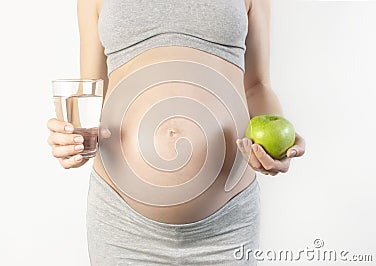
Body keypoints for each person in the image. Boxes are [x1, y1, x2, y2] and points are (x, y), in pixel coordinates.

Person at [47, 0, 305, 265]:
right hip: (122, 226)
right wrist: (72, 139)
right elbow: (92, 91)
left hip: (228, 225)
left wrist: (275, 144)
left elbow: (257, 85)